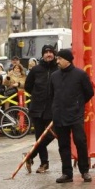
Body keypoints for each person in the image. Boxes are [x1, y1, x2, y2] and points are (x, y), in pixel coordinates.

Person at [49, 49, 94, 184]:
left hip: (75, 114)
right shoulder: (54, 76)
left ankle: (84, 171)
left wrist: (78, 104)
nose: (57, 61)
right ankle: (66, 173)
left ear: (67, 60)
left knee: (80, 141)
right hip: (59, 115)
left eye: (60, 59)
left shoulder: (80, 74)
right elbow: (52, 94)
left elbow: (89, 92)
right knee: (63, 145)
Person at [24, 45, 58, 174]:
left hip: (53, 108)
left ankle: (30, 155)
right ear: (42, 55)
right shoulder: (36, 70)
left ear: (54, 54)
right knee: (39, 136)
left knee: (52, 134)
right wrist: (38, 94)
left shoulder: (58, 68)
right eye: (46, 52)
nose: (48, 54)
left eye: (51, 52)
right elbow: (28, 86)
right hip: (37, 108)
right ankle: (44, 163)